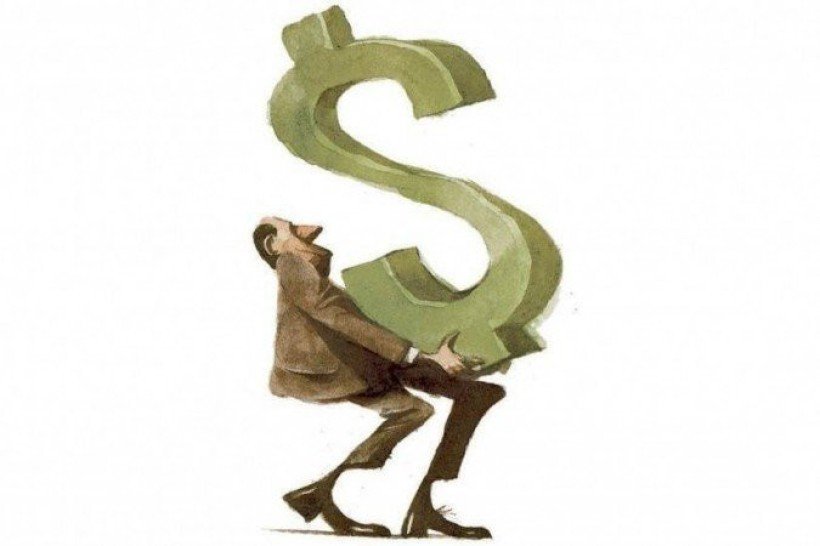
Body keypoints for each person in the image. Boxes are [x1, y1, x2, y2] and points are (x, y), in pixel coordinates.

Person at [254, 216, 505, 539]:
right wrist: (413, 354)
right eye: (290, 227)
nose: (306, 228)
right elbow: (335, 317)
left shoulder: (305, 270)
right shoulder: (291, 264)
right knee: (445, 401)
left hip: (353, 364)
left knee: (441, 402)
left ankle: (322, 494)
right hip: (331, 372)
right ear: (272, 244)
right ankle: (361, 499)